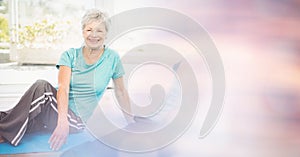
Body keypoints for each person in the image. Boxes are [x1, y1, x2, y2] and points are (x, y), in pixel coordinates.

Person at [0, 9, 134, 150]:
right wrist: (61, 121)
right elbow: (63, 88)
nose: (93, 35)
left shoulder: (112, 58)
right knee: (8, 115)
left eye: (99, 31)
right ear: (83, 32)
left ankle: (4, 132)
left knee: (42, 88)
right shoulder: (70, 55)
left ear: (106, 34)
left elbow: (120, 91)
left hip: (75, 120)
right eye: (89, 30)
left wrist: (131, 122)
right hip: (56, 111)